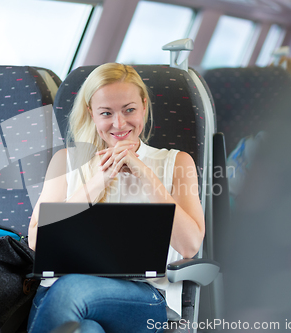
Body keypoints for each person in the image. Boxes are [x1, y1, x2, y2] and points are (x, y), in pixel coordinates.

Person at [27, 63, 205, 333]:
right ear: (91, 114)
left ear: (144, 106)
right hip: (60, 295)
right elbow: (37, 239)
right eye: (106, 113)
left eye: (129, 110)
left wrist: (144, 174)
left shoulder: (176, 162)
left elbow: (190, 245)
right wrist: (99, 180)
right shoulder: (65, 161)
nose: (119, 123)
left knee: (72, 288)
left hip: (139, 298)